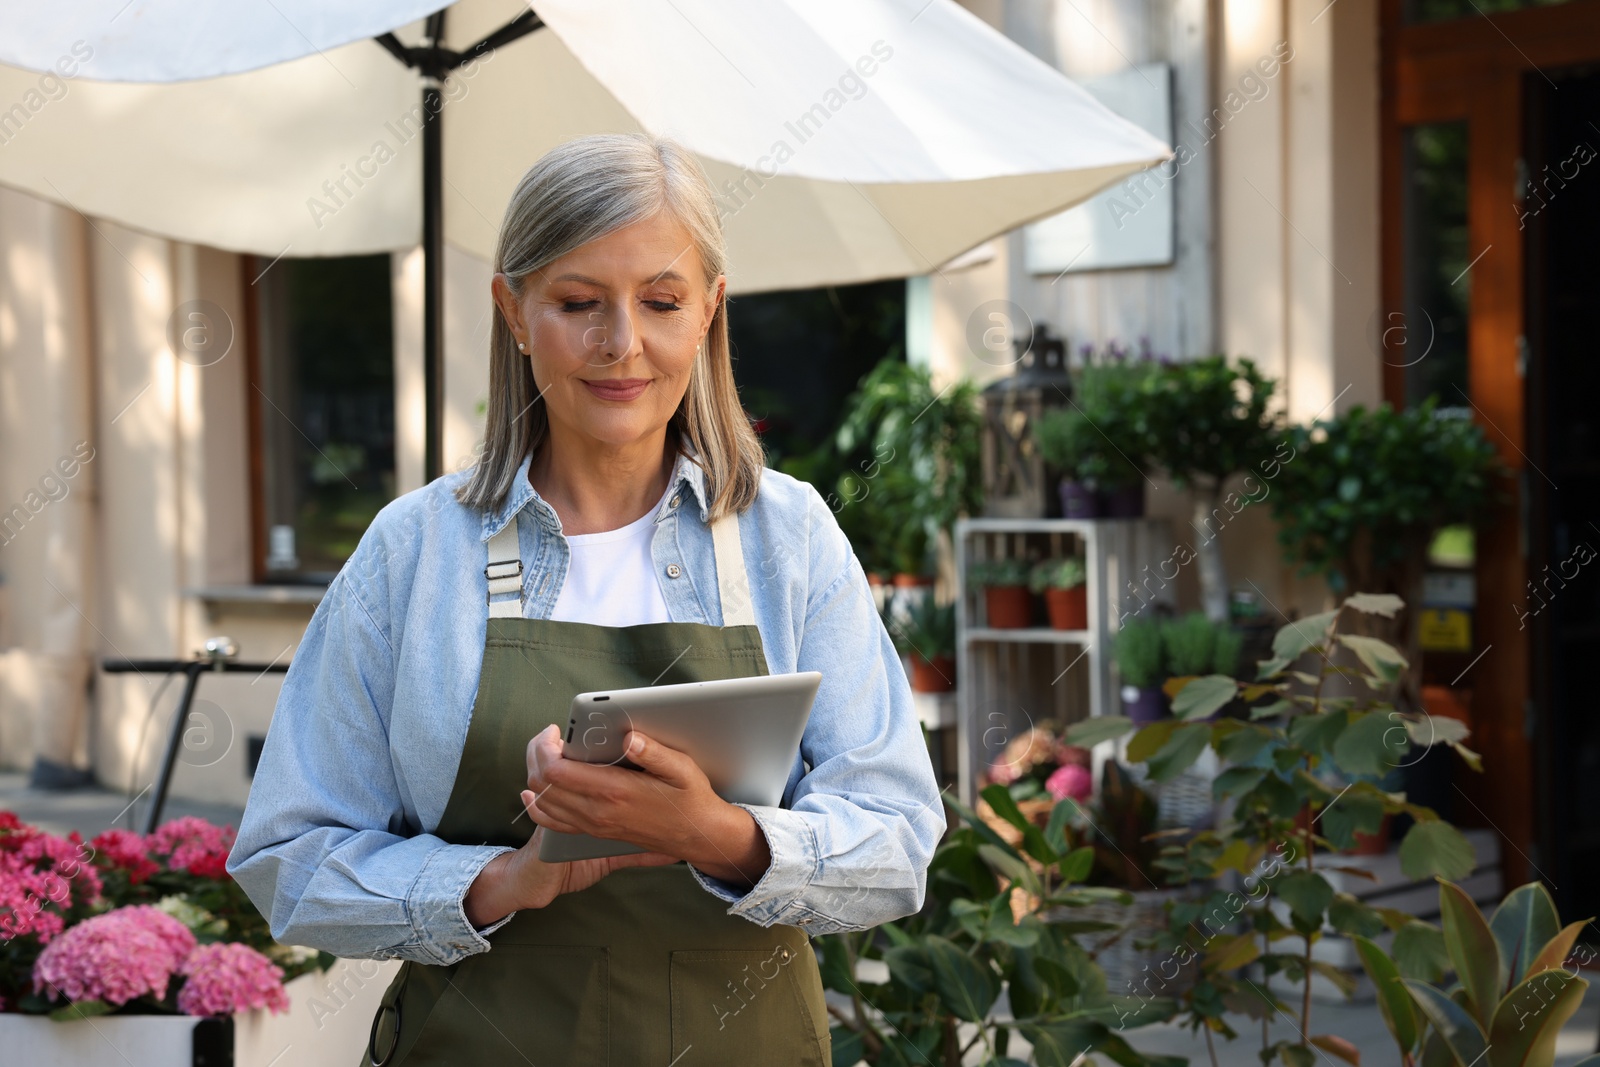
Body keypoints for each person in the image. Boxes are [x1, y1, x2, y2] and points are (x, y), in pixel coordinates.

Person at [227, 133, 946, 1067]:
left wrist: (715, 835)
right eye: (577, 303)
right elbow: (289, 856)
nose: (622, 344)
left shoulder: (790, 538)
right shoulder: (414, 551)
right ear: (513, 311)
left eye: (661, 300)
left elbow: (897, 840)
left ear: (708, 312)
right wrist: (503, 878)